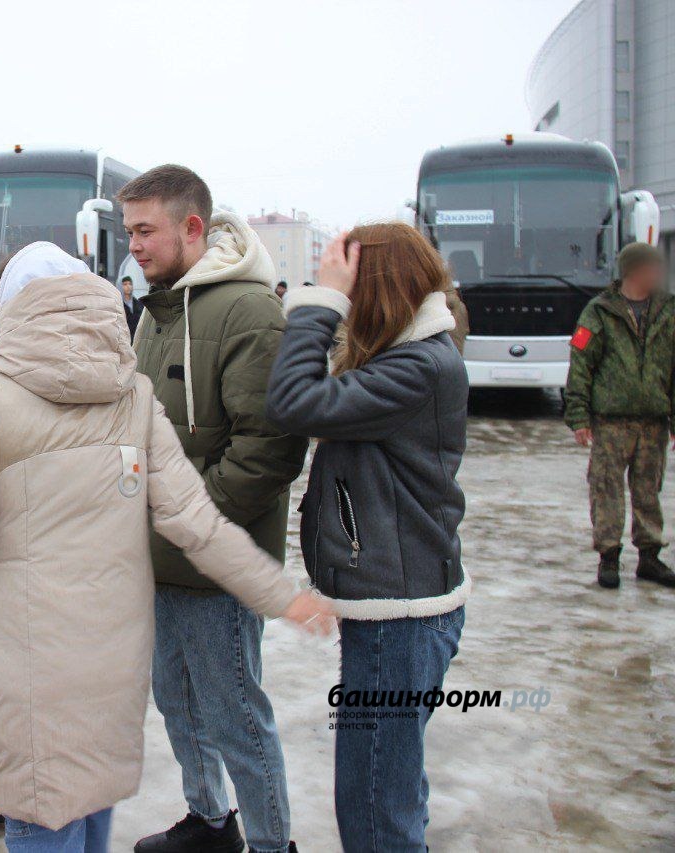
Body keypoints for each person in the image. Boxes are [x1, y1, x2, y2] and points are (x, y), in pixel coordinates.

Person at [0, 242, 335, 852]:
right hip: (116, 650)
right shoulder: (133, 396)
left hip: (30, 651)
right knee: (91, 800)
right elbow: (197, 521)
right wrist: (280, 595)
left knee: (40, 810)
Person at [121, 165, 308, 853]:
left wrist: (193, 523)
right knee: (178, 700)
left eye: (146, 230)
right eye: (128, 230)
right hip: (159, 556)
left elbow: (272, 448)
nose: (133, 245)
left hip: (216, 561)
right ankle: (209, 819)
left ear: (191, 227)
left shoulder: (249, 312)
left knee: (235, 714)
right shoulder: (160, 311)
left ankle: (271, 844)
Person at [266, 222, 470, 852]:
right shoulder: (416, 358)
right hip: (397, 603)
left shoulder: (419, 368)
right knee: (390, 785)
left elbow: (295, 400)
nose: (346, 304)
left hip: (397, 616)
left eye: (352, 291)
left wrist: (317, 303)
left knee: (375, 802)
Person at [564, 241, 675, 589]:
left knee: (648, 491)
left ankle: (649, 558)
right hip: (611, 423)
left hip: (653, 422)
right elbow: (580, 365)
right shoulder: (599, 312)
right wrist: (579, 416)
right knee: (606, 489)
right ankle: (609, 557)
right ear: (633, 270)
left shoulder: (668, 310)